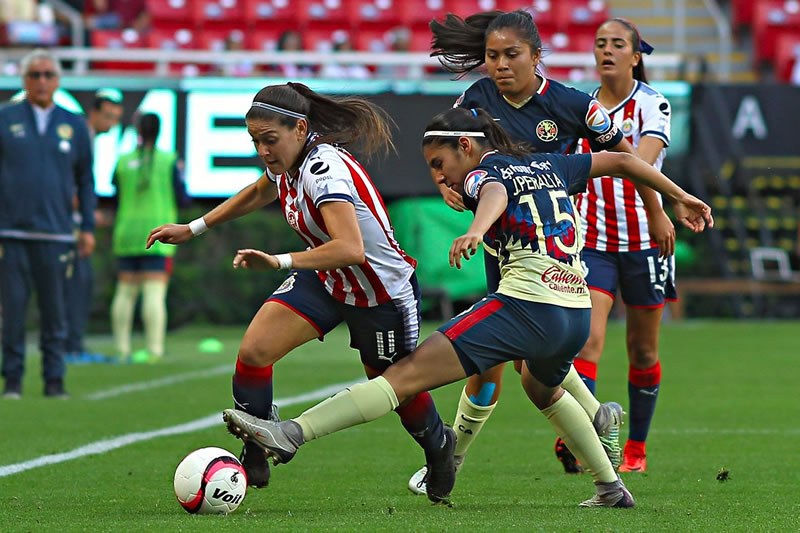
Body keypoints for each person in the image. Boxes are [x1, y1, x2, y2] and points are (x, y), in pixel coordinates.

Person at [220, 107, 713, 506]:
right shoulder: (554, 163)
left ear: (466, 145)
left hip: (525, 307)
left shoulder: (483, 173)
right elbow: (625, 162)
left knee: (402, 377)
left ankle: (293, 433)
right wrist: (680, 196)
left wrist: (477, 228)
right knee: (541, 389)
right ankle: (611, 486)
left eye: (440, 164)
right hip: (574, 311)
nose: (441, 177)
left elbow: (493, 189)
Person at [409, 9, 678, 490]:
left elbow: (624, 158)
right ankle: (594, 421)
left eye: (511, 54)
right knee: (504, 361)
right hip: (502, 243)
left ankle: (452, 461)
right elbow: (446, 146)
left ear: (537, 56)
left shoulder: (574, 105)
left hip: (553, 250)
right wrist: (444, 184)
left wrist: (656, 210)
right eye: (492, 56)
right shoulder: (477, 99)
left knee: (508, 360)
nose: (499, 65)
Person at [146, 82, 452, 492]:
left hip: (379, 291)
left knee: (393, 384)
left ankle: (439, 446)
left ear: (300, 129)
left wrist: (279, 261)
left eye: (270, 139)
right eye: (255, 141)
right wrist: (194, 227)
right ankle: (255, 451)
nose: (263, 151)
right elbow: (261, 189)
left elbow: (351, 248)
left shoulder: (324, 171)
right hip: (327, 278)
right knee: (255, 351)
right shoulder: (287, 162)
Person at [570, 18, 675, 473]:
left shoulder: (653, 104)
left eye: (617, 44)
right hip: (591, 240)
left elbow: (637, 163)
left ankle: (636, 448)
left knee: (643, 350)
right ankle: (589, 440)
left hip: (646, 241)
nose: (607, 51)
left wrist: (660, 209)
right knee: (587, 342)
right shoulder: (578, 106)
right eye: (600, 44)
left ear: (635, 57)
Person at [0, 48, 96, 399]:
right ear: (24, 80)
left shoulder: (74, 124)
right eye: (34, 75)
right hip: (11, 232)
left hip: (57, 234)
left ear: (57, 81)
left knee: (55, 313)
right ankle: (12, 380)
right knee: (13, 311)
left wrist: (87, 227)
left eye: (48, 75)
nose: (41, 81)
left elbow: (85, 180)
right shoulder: (5, 118)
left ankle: (54, 381)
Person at [110, 112, 188, 363]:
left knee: (125, 292)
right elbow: (183, 198)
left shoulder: (123, 160)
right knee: (154, 292)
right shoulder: (169, 160)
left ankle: (122, 350)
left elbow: (115, 192)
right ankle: (154, 350)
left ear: (137, 131)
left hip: (127, 232)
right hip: (158, 233)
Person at [64, 88, 124, 364]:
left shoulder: (89, 138)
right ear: (94, 113)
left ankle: (70, 344)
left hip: (70, 223)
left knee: (78, 282)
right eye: (108, 116)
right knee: (78, 282)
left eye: (116, 118)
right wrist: (85, 213)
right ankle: (70, 346)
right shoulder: (80, 137)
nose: (111, 124)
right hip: (66, 227)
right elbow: (67, 184)